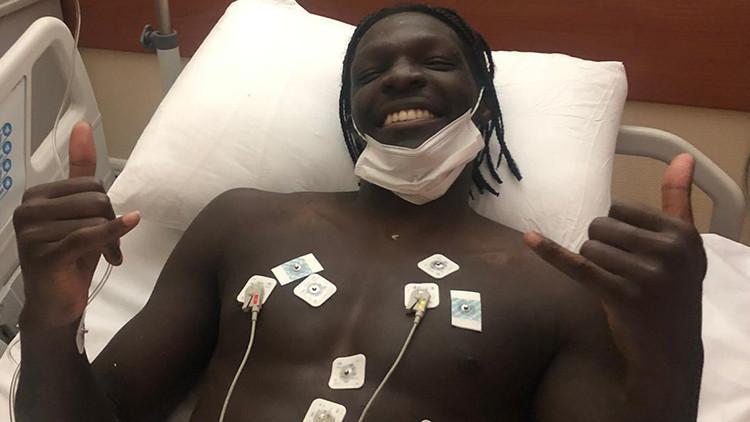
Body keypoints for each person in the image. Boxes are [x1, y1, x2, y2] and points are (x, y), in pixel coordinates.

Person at [13, 5, 706, 421]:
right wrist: (50, 311)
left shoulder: (553, 284)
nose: (403, 75)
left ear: (484, 103)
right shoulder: (243, 224)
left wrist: (672, 340)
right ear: (352, 114)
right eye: (373, 73)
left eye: (437, 61)